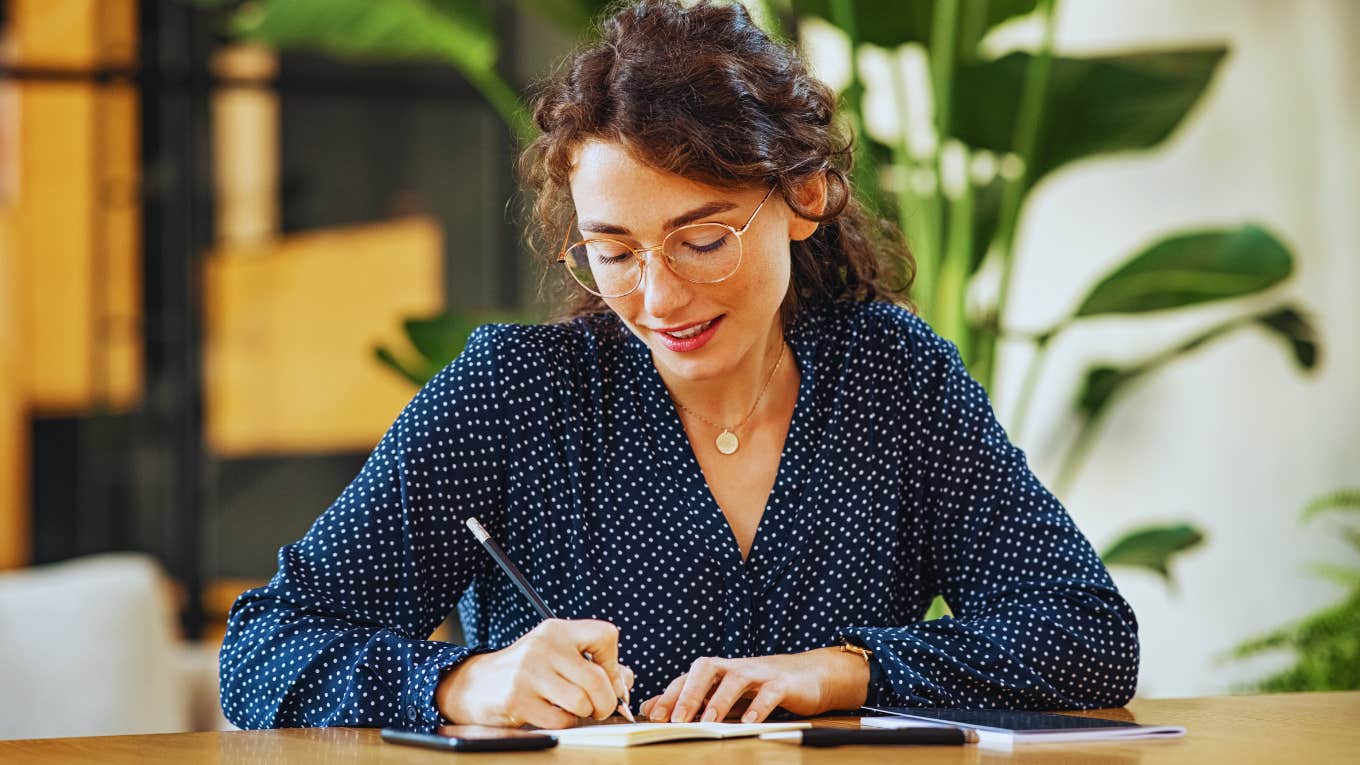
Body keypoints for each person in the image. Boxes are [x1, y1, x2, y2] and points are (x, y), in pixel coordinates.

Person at [219, 0, 1139, 731]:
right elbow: (263, 652)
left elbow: (1085, 632)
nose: (660, 299)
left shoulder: (892, 379)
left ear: (805, 195)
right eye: (614, 251)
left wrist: (843, 670)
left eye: (702, 240)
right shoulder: (513, 392)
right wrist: (468, 681)